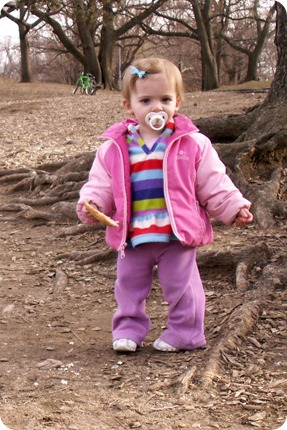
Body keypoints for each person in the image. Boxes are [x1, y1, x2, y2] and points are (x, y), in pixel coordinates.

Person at [76, 57, 253, 353]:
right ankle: (128, 330)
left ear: (178, 102)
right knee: (129, 285)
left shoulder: (192, 143)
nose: (156, 107)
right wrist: (93, 203)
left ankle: (185, 332)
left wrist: (232, 207)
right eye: (146, 100)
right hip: (132, 234)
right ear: (129, 106)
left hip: (176, 233)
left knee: (181, 285)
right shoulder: (114, 147)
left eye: (165, 99)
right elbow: (101, 184)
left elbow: (212, 181)